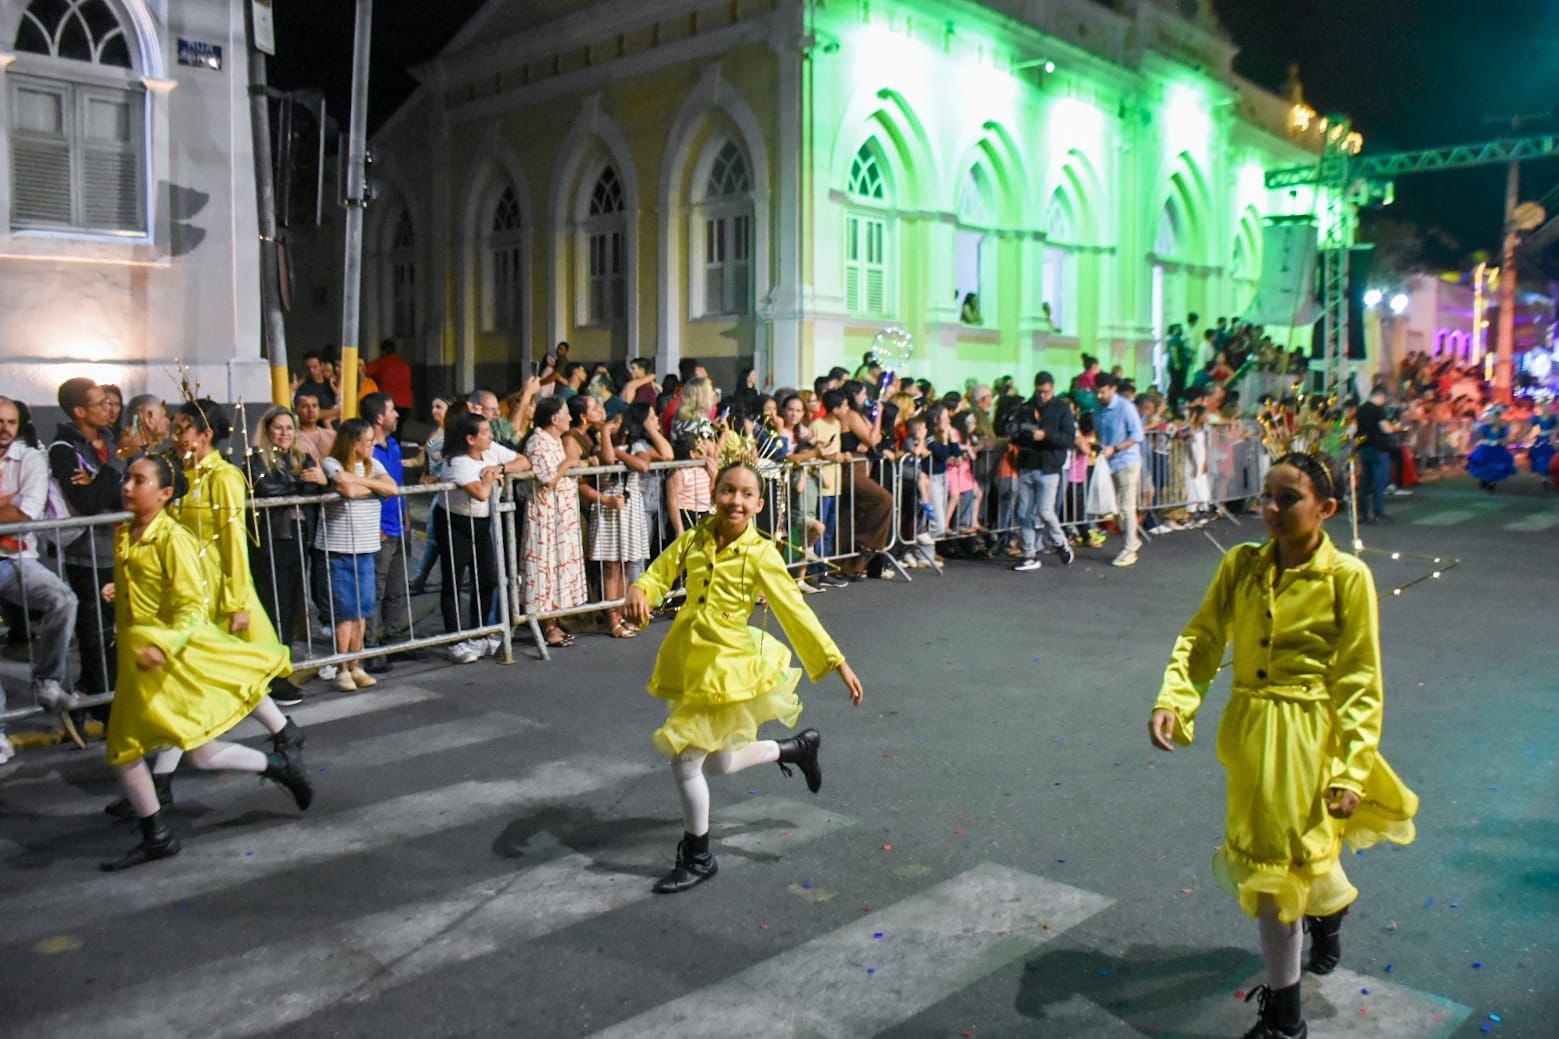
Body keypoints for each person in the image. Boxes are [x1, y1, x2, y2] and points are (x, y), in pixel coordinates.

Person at [1148, 452, 1418, 1039]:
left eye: (1288, 498)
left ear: (1327, 508)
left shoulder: (1347, 577)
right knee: (1290, 857)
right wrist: (1175, 699)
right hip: (1249, 735)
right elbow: (1203, 636)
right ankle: (1327, 915)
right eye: (1266, 495)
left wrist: (1351, 769)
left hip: (1309, 738)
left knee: (1274, 873)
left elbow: (1360, 678)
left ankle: (1286, 1019)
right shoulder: (1242, 565)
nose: (1270, 509)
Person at [624, 462, 864, 893]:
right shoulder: (696, 536)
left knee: (686, 761)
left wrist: (837, 661)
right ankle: (795, 749)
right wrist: (641, 589)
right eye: (728, 490)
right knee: (718, 762)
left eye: (746, 494)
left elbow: (794, 610)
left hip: (728, 665)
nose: (735, 500)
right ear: (714, 493)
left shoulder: (761, 553)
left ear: (759, 504)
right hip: (692, 659)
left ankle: (698, 856)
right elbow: (660, 572)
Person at [98, 454, 312, 872]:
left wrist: (163, 644)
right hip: (138, 660)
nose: (127, 486)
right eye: (127, 478)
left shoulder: (172, 538)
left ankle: (159, 831)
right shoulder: (127, 532)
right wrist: (119, 589)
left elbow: (191, 607)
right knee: (174, 751)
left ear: (164, 493)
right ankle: (274, 767)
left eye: (139, 480)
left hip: (164, 661)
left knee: (134, 749)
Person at [0, 397, 81, 756]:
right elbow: (14, 510)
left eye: (11, 422)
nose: (5, 428)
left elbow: (27, 512)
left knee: (62, 599)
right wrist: (8, 506)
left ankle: (47, 680)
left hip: (16, 558)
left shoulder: (30, 457)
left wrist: (15, 509)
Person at [49, 378, 126, 711]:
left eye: (110, 402)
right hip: (89, 555)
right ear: (79, 411)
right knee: (97, 635)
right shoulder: (64, 450)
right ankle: (99, 704)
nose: (108, 409)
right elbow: (88, 502)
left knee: (121, 632)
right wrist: (113, 469)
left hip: (121, 547)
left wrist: (101, 480)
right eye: (100, 403)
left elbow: (127, 493)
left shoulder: (110, 440)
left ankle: (114, 697)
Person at [439, 410, 528, 663]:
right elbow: (480, 493)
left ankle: (478, 633)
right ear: (470, 439)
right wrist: (489, 479)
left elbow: (523, 461)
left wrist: (500, 468)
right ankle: (455, 640)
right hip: (455, 522)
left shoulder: (490, 451)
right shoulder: (457, 462)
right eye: (485, 433)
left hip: (482, 522)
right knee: (454, 581)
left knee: (487, 578)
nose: (490, 436)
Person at [244, 406, 330, 665]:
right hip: (272, 539)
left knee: (294, 600)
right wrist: (302, 483)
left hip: (299, 536)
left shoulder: (302, 458)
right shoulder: (256, 460)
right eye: (278, 428)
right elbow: (269, 489)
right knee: (273, 600)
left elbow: (315, 488)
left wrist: (321, 480)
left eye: (289, 428)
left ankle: (286, 654)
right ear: (268, 430)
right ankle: (271, 657)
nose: (284, 433)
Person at [317, 418, 398, 691]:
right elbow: (348, 490)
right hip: (339, 547)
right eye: (368, 441)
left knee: (363, 609)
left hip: (366, 546)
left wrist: (361, 480)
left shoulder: (374, 464)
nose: (372, 445)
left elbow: (392, 488)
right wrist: (371, 486)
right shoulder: (332, 463)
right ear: (354, 443)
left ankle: (356, 664)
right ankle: (342, 667)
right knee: (345, 612)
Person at [522, 397, 588, 648]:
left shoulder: (556, 441)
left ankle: (555, 621)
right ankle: (547, 625)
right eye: (566, 413)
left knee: (558, 568)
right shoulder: (537, 441)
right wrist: (569, 461)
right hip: (545, 517)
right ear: (553, 418)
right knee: (545, 569)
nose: (570, 418)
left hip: (562, 516)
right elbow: (548, 478)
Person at [360, 393, 411, 670]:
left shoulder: (393, 445)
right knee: (375, 592)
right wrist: (378, 526)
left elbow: (398, 485)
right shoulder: (368, 453)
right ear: (380, 418)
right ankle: (371, 647)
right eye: (392, 410)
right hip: (379, 531)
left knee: (396, 589)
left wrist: (406, 517)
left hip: (398, 527)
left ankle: (395, 640)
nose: (397, 414)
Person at [1007, 372, 1076, 572]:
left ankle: (1061, 543)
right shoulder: (1026, 407)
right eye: (1039, 392)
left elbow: (1068, 439)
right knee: (1023, 512)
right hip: (1027, 464)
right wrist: (1021, 434)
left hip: (1049, 467)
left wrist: (1045, 435)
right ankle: (1029, 554)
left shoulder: (1061, 408)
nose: (1042, 396)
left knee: (1045, 511)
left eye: (1045, 392)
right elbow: (1015, 434)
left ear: (1052, 388)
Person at [1094, 373, 1145, 567]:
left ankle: (1130, 548)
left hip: (1127, 461)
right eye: (1097, 392)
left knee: (1126, 506)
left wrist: (1115, 448)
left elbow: (1137, 435)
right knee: (1116, 508)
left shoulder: (1126, 408)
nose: (1099, 396)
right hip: (1109, 463)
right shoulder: (1097, 408)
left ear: (1113, 389)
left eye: (1103, 392)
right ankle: (1132, 540)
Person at [410, 395, 454, 594]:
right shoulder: (435, 432)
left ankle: (423, 576)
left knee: (436, 534)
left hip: (447, 490)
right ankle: (422, 576)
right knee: (433, 535)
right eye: (433, 406)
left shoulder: (454, 433)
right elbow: (422, 460)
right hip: (436, 490)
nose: (434, 411)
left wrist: (434, 479)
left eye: (439, 407)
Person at [1354, 386, 1400, 522]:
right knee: (1379, 481)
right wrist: (1395, 427)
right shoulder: (1378, 410)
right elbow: (1385, 428)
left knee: (1364, 482)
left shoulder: (1361, 409)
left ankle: (1362, 513)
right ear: (1381, 396)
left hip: (1363, 447)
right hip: (1378, 448)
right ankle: (1378, 512)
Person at [1465, 404, 1516, 493]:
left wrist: (1502, 442)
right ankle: (1485, 480)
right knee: (1484, 465)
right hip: (1485, 448)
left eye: (1497, 416)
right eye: (1493, 416)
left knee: (1495, 466)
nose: (1495, 418)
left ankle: (1491, 483)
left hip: (1497, 448)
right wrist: (1481, 437)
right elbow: (1476, 432)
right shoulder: (1485, 426)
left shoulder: (1503, 427)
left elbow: (1505, 438)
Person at [363, 338, 414, 411]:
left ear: (383, 351)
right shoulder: (405, 365)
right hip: (406, 405)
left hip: (388, 404)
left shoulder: (381, 363)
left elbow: (364, 372)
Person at [292, 350, 340, 424]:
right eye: (308, 368)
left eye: (315, 367)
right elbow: (310, 413)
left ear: (322, 366)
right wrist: (337, 411)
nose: (311, 370)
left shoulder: (331, 383)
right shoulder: (304, 389)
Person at [293, 390, 336, 465]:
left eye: (314, 406)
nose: (311, 410)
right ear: (296, 410)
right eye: (305, 406)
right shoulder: (291, 438)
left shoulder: (332, 435)